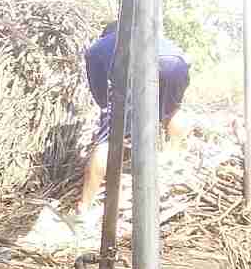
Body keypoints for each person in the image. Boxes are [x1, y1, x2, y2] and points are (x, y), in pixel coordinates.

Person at [75, 21, 191, 213]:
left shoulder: (98, 49)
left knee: (107, 140)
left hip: (143, 62)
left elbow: (102, 96)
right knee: (172, 110)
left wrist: (114, 119)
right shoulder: (146, 32)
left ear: (106, 35)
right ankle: (173, 158)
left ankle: (84, 205)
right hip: (177, 62)